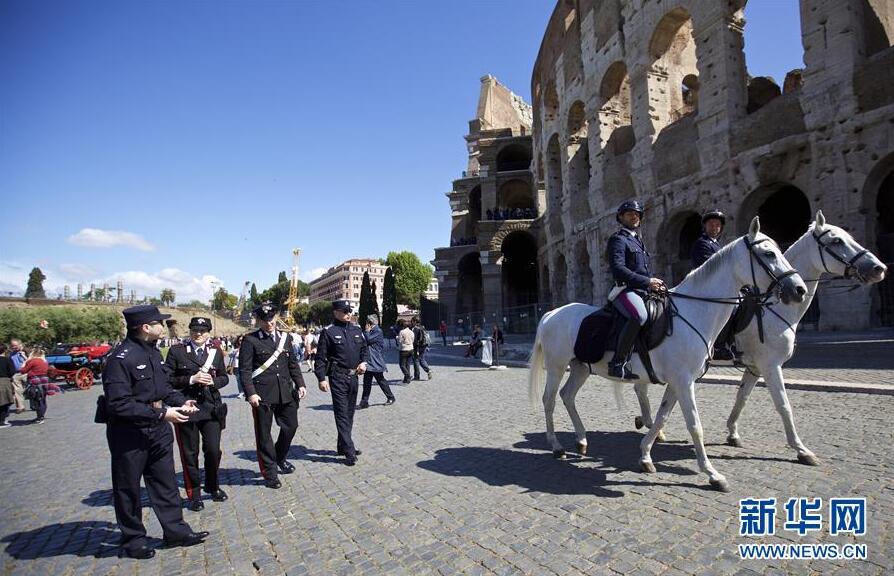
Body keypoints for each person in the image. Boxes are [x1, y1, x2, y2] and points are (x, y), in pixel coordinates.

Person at [101, 305, 208, 559]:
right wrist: (163, 414)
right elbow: (119, 404)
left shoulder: (153, 353)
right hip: (130, 433)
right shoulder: (120, 359)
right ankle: (133, 540)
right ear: (145, 328)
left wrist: (180, 401)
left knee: (165, 482)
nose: (164, 326)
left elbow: (163, 388)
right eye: (159, 322)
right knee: (128, 488)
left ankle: (175, 531)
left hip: (158, 429)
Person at [239, 302, 307, 489]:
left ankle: (280, 457)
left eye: (272, 318)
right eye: (265, 320)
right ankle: (270, 473)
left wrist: (300, 384)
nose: (269, 323)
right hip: (262, 395)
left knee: (291, 427)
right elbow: (244, 371)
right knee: (264, 435)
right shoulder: (250, 340)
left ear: (276, 318)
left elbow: (292, 363)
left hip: (286, 391)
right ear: (259, 321)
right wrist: (250, 393)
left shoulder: (285, 338)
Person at [165, 317, 229, 511]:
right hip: (187, 407)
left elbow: (225, 377)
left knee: (212, 450)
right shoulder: (177, 351)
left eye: (202, 330)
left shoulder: (215, 352)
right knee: (189, 454)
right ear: (190, 331)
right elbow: (167, 379)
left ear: (208, 332)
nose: (198, 334)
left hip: (211, 407)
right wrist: (191, 379)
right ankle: (194, 493)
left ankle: (212, 485)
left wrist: (214, 382)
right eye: (195, 330)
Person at [606, 199, 665, 380]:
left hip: (641, 290)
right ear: (621, 217)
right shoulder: (618, 239)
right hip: (624, 290)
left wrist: (656, 283)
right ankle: (617, 362)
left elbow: (643, 268)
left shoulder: (638, 240)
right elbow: (619, 269)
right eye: (630, 213)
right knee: (639, 316)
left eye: (637, 214)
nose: (634, 216)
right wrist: (647, 281)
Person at [314, 300, 368, 465]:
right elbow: (320, 357)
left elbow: (364, 350)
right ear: (335, 312)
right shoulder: (329, 332)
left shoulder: (357, 330)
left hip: (354, 377)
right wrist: (321, 378)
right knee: (341, 413)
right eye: (344, 311)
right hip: (337, 377)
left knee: (349, 413)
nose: (348, 314)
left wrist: (364, 362)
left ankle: (342, 445)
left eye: (349, 311)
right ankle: (349, 450)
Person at [358, 314, 394, 409]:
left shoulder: (377, 331)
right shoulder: (372, 331)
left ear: (369, 323)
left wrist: (366, 331)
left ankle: (391, 397)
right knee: (367, 383)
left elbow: (367, 339)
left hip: (375, 361)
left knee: (381, 380)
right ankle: (364, 402)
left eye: (366, 322)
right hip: (369, 361)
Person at [19, 347, 50, 424]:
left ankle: (40, 417)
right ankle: (41, 415)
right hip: (44, 380)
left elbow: (23, 371)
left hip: (35, 381)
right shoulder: (44, 361)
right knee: (42, 399)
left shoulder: (33, 361)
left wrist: (25, 362)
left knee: (36, 399)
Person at [8, 339, 27, 413]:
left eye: (15, 345)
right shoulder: (11, 354)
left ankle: (34, 404)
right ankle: (20, 407)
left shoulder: (26, 351)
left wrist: (23, 353)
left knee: (30, 389)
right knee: (17, 391)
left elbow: (29, 360)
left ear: (20, 344)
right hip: (16, 374)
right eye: (12, 346)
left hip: (26, 372)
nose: (14, 347)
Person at [0, 345, 16, 427]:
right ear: (4, 351)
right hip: (4, 381)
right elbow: (12, 371)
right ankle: (1, 421)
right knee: (4, 402)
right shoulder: (7, 360)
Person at [396, 319, 414, 384]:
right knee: (407, 365)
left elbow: (400, 341)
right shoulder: (411, 331)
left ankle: (408, 376)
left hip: (404, 349)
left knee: (402, 365)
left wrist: (397, 337)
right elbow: (412, 340)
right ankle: (406, 379)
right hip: (411, 349)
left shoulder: (401, 332)